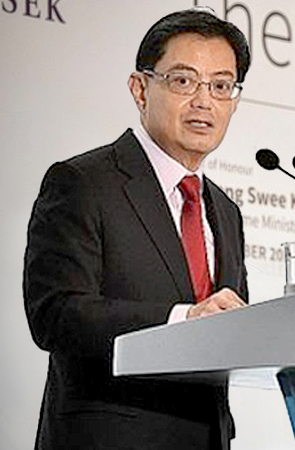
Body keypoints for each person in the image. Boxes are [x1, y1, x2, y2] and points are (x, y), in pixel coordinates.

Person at [24, 8, 251, 450]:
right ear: (140, 88)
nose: (204, 101)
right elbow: (54, 315)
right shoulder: (83, 182)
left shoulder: (226, 211)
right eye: (184, 80)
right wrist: (182, 319)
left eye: (221, 86)